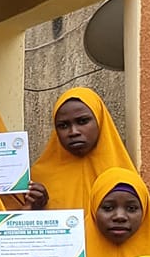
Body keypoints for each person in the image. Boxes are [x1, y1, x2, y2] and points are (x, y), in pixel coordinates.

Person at [30, 87, 140, 218]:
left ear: (99, 120)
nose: (73, 132)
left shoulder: (123, 176)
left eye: (82, 121)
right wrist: (33, 209)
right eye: (63, 125)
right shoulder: (38, 180)